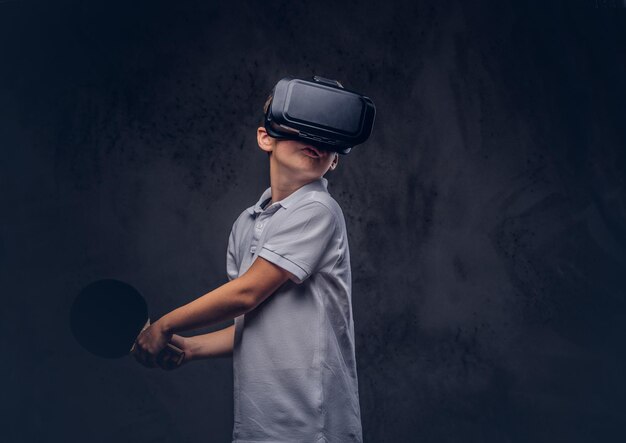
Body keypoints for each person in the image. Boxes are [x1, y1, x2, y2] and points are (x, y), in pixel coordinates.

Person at [133, 77, 366, 442]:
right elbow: (254, 323)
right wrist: (191, 347)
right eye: (301, 127)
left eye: (328, 139)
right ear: (265, 138)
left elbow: (246, 294)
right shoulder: (247, 223)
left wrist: (163, 326)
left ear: (335, 159)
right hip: (257, 426)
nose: (315, 141)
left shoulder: (318, 209)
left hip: (310, 427)